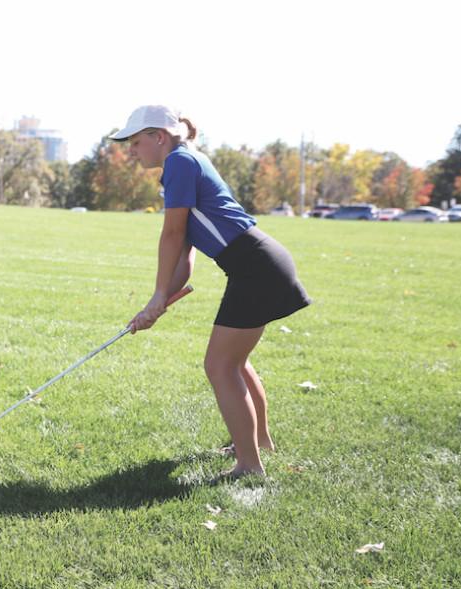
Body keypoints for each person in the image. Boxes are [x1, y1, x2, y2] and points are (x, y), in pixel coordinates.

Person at [109, 105, 311, 478]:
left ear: (159, 136)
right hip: (259, 264)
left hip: (256, 267)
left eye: (136, 142)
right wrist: (159, 303)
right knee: (234, 362)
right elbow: (185, 253)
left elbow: (171, 234)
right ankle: (258, 442)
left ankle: (249, 466)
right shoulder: (185, 162)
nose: (131, 151)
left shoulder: (179, 164)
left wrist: (156, 294)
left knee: (220, 365)